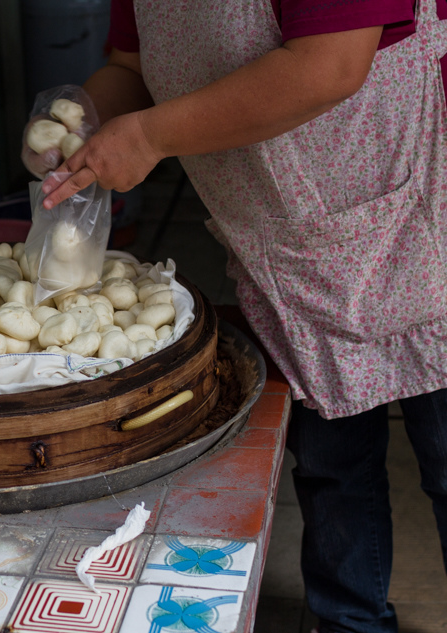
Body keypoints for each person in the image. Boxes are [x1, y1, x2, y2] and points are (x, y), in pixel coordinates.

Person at [24, 1, 447, 632]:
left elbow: (330, 65)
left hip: (415, 213)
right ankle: (350, 623)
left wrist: (149, 137)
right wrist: (79, 126)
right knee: (333, 466)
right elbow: (132, 68)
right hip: (291, 242)